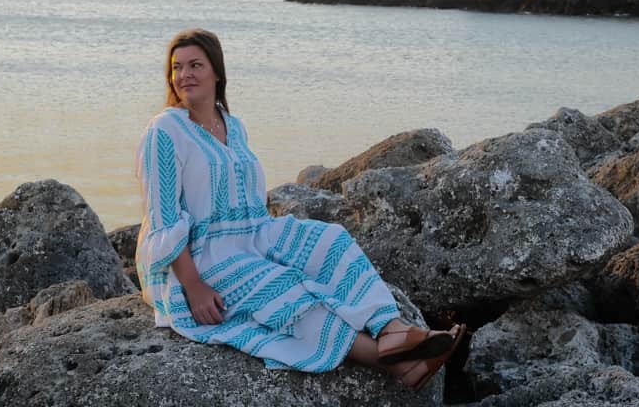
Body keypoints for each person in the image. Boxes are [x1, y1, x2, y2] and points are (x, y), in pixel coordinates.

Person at [135, 28, 464, 390]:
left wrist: (278, 246)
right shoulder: (164, 131)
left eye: (195, 64)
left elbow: (248, 200)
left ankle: (393, 328)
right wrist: (194, 286)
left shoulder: (234, 126)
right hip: (203, 256)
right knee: (287, 290)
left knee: (330, 239)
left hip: (252, 234)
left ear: (217, 72)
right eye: (176, 67)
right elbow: (163, 221)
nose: (184, 75)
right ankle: (395, 364)